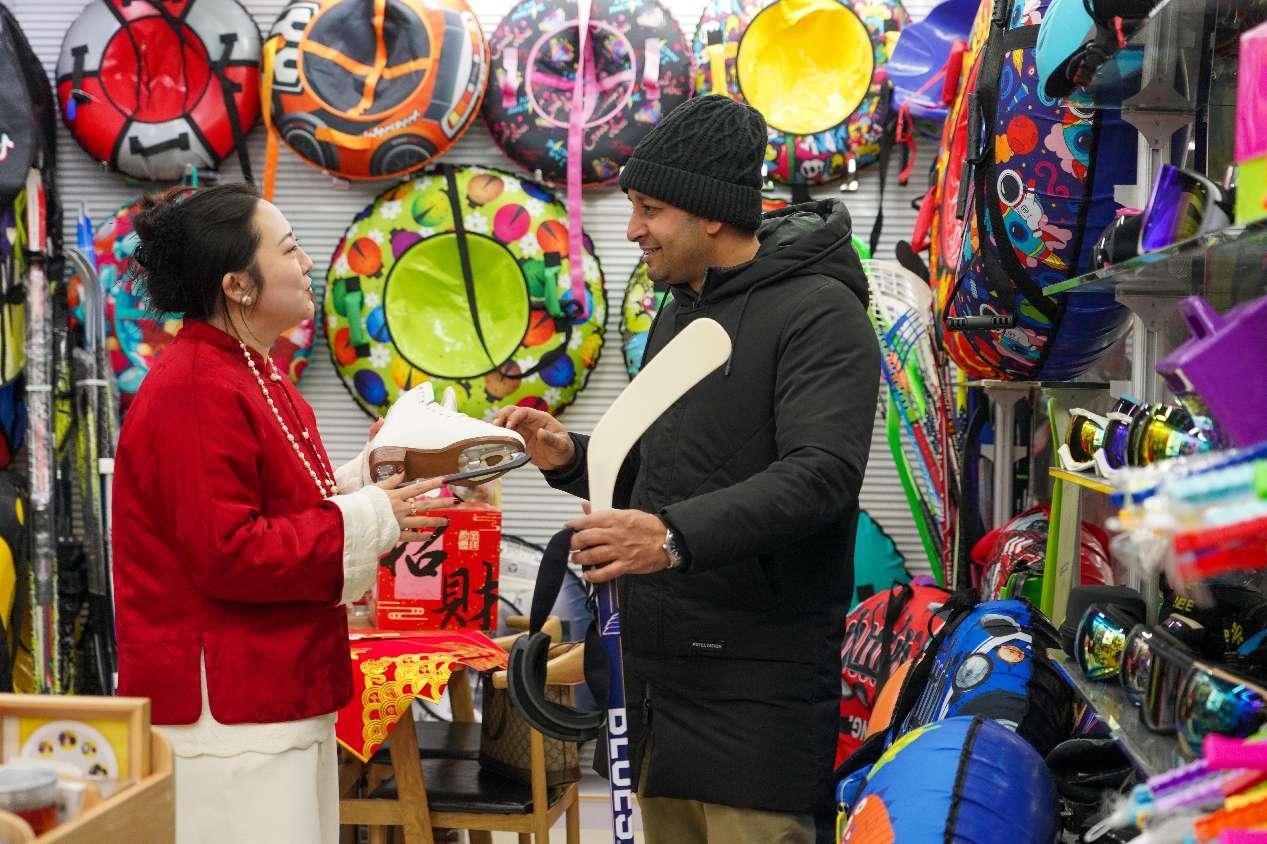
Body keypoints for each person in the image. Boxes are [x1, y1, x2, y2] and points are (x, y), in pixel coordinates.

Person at [495, 94, 881, 843]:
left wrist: (670, 538)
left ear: (711, 215)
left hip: (755, 698)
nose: (632, 229)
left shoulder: (820, 313)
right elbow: (668, 471)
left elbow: (821, 476)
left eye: (651, 210)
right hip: (659, 690)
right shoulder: (681, 311)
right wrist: (571, 457)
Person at [111, 183, 454, 844]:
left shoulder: (252, 373)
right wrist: (370, 514)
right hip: (229, 707)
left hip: (274, 686)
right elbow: (229, 551)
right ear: (238, 285)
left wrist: (377, 479)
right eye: (290, 249)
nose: (307, 264)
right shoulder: (196, 387)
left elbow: (286, 502)